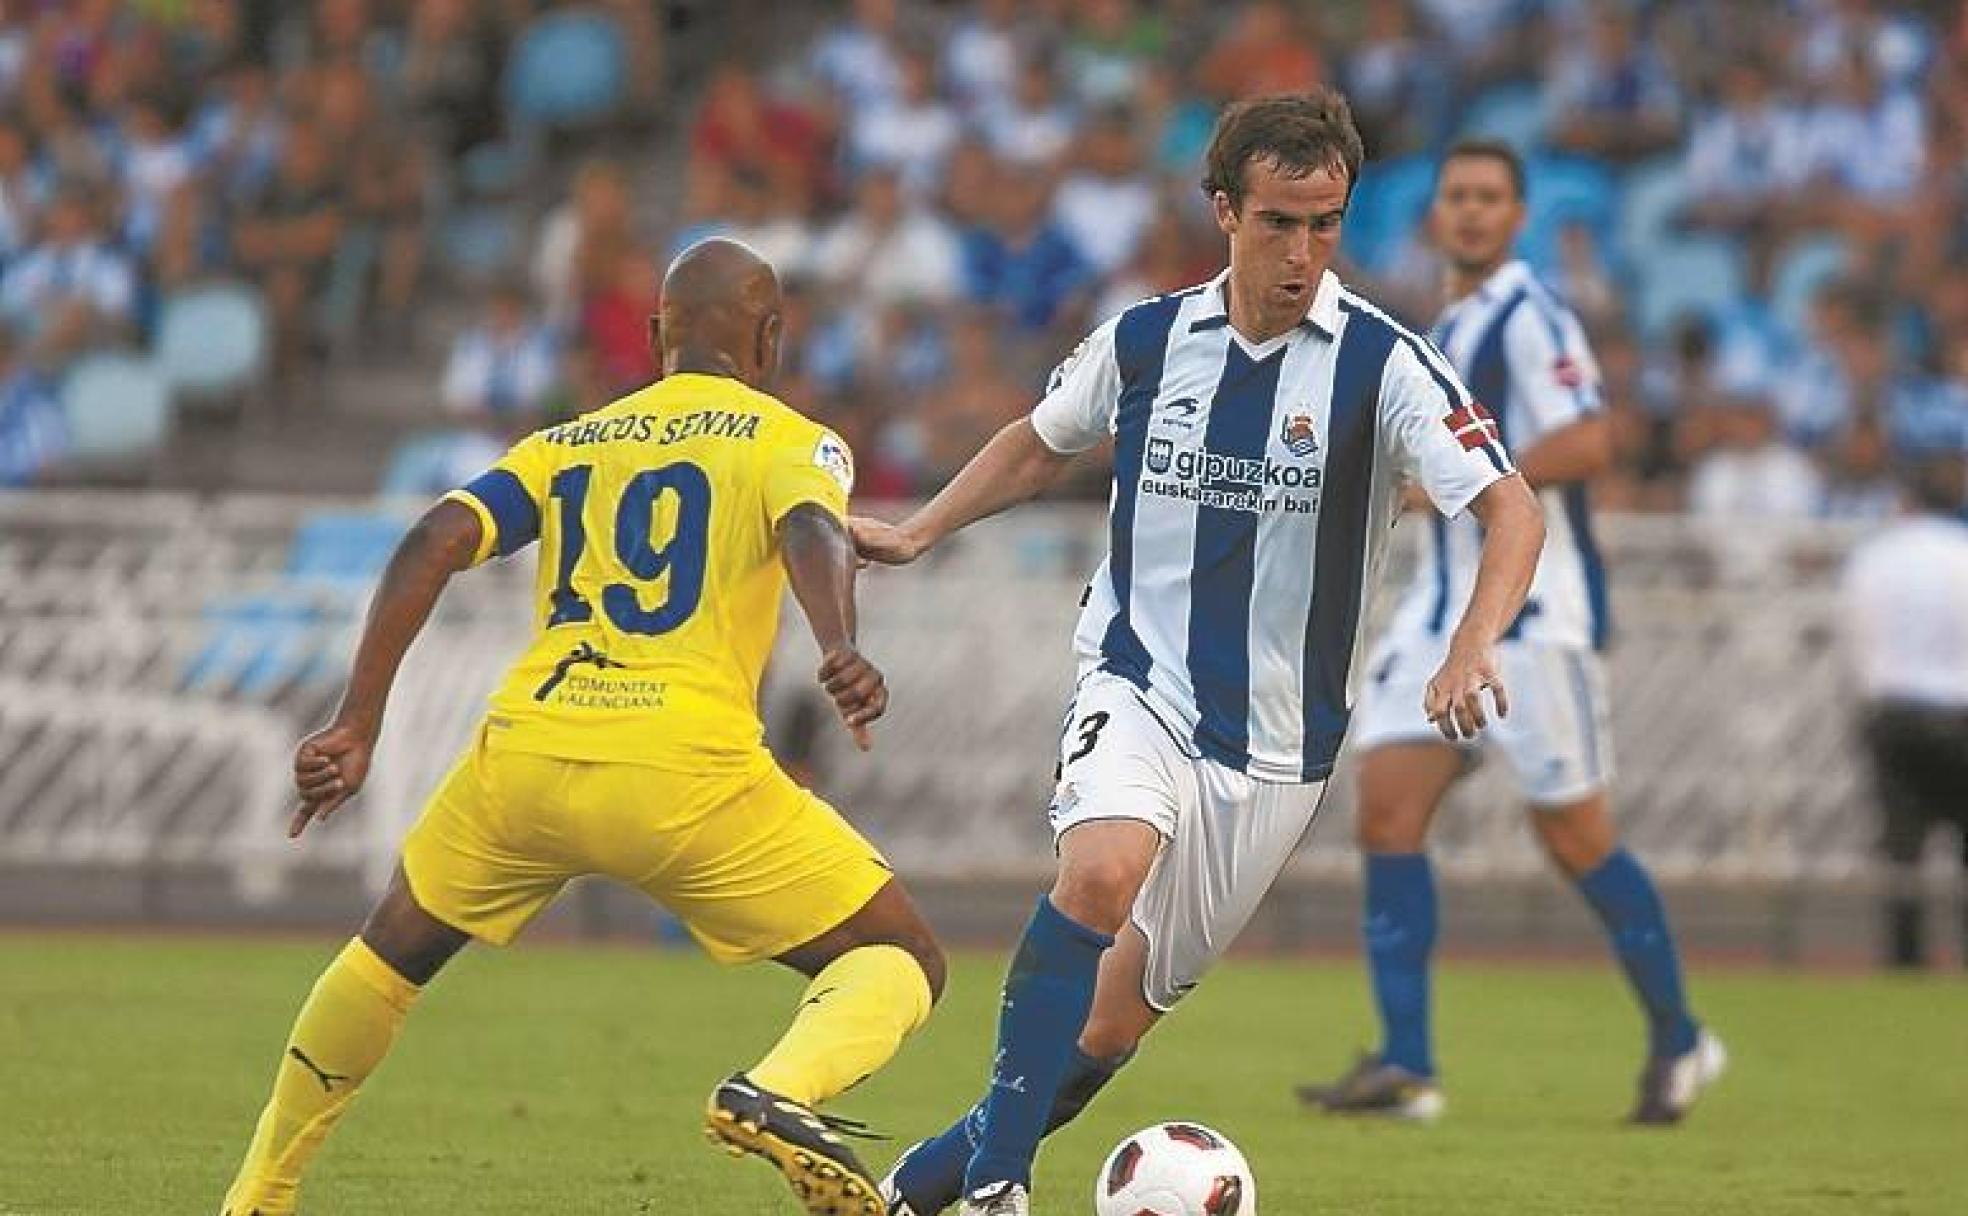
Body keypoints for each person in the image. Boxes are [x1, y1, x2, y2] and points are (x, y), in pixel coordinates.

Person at [856, 91, 1546, 1216]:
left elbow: (1511, 509)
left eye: (1325, 224)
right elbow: (1041, 445)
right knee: (1101, 869)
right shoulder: (1147, 338)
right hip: (1138, 680)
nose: (1303, 251)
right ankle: (996, 1187)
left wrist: (1474, 642)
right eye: (1279, 221)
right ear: (1223, 209)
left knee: (1106, 1031)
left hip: (1279, 746)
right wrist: (921, 528)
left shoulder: (1387, 365)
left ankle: (911, 1191)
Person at [218, 238, 945, 1216]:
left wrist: (357, 721)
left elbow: (434, 539)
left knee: (388, 952)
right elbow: (811, 527)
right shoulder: (792, 439)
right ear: (769, 339)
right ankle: (774, 1093)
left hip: (529, 752)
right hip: (684, 770)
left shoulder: (567, 443)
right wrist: (839, 643)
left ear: (655, 339)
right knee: (900, 956)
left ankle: (258, 1194)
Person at [1297, 141, 1723, 1127]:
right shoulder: (1446, 322)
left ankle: (1679, 1037)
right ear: (1435, 216)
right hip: (1441, 611)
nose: (1474, 213)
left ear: (1518, 216)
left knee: (1574, 837)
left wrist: (1467, 474)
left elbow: (1589, 438)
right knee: (1388, 810)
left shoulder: (1532, 314)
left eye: (1491, 198)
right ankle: (1408, 1063)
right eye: (1458, 198)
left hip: (1536, 616)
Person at [1839, 447, 1968, 969]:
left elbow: (1853, 632)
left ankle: (1905, 958)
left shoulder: (1874, 556)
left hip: (1893, 710)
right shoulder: (1962, 554)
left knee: (1901, 846)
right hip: (1959, 711)